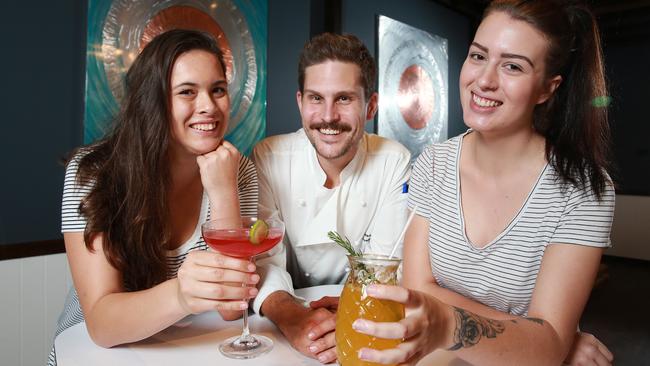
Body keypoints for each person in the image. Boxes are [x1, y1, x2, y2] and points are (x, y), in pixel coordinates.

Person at [351, 1, 616, 365]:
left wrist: (452, 322)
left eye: (512, 66)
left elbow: (547, 347)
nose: (485, 80)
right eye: (478, 56)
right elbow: (418, 289)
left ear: (547, 88)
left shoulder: (583, 190)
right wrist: (535, 334)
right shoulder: (432, 165)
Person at [48, 29, 259, 365]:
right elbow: (102, 324)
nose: (208, 106)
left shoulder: (237, 171)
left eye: (217, 90)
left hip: (185, 351)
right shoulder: (93, 172)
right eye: (187, 92)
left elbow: (232, 308)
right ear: (155, 100)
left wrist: (222, 191)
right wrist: (180, 294)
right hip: (96, 352)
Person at [251, 33, 411, 363]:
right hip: (283, 326)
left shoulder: (394, 161)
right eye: (315, 98)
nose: (327, 116)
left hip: (361, 319)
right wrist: (291, 317)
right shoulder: (270, 156)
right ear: (299, 102)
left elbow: (384, 264)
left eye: (344, 99)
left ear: (370, 106)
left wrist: (355, 315)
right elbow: (264, 259)